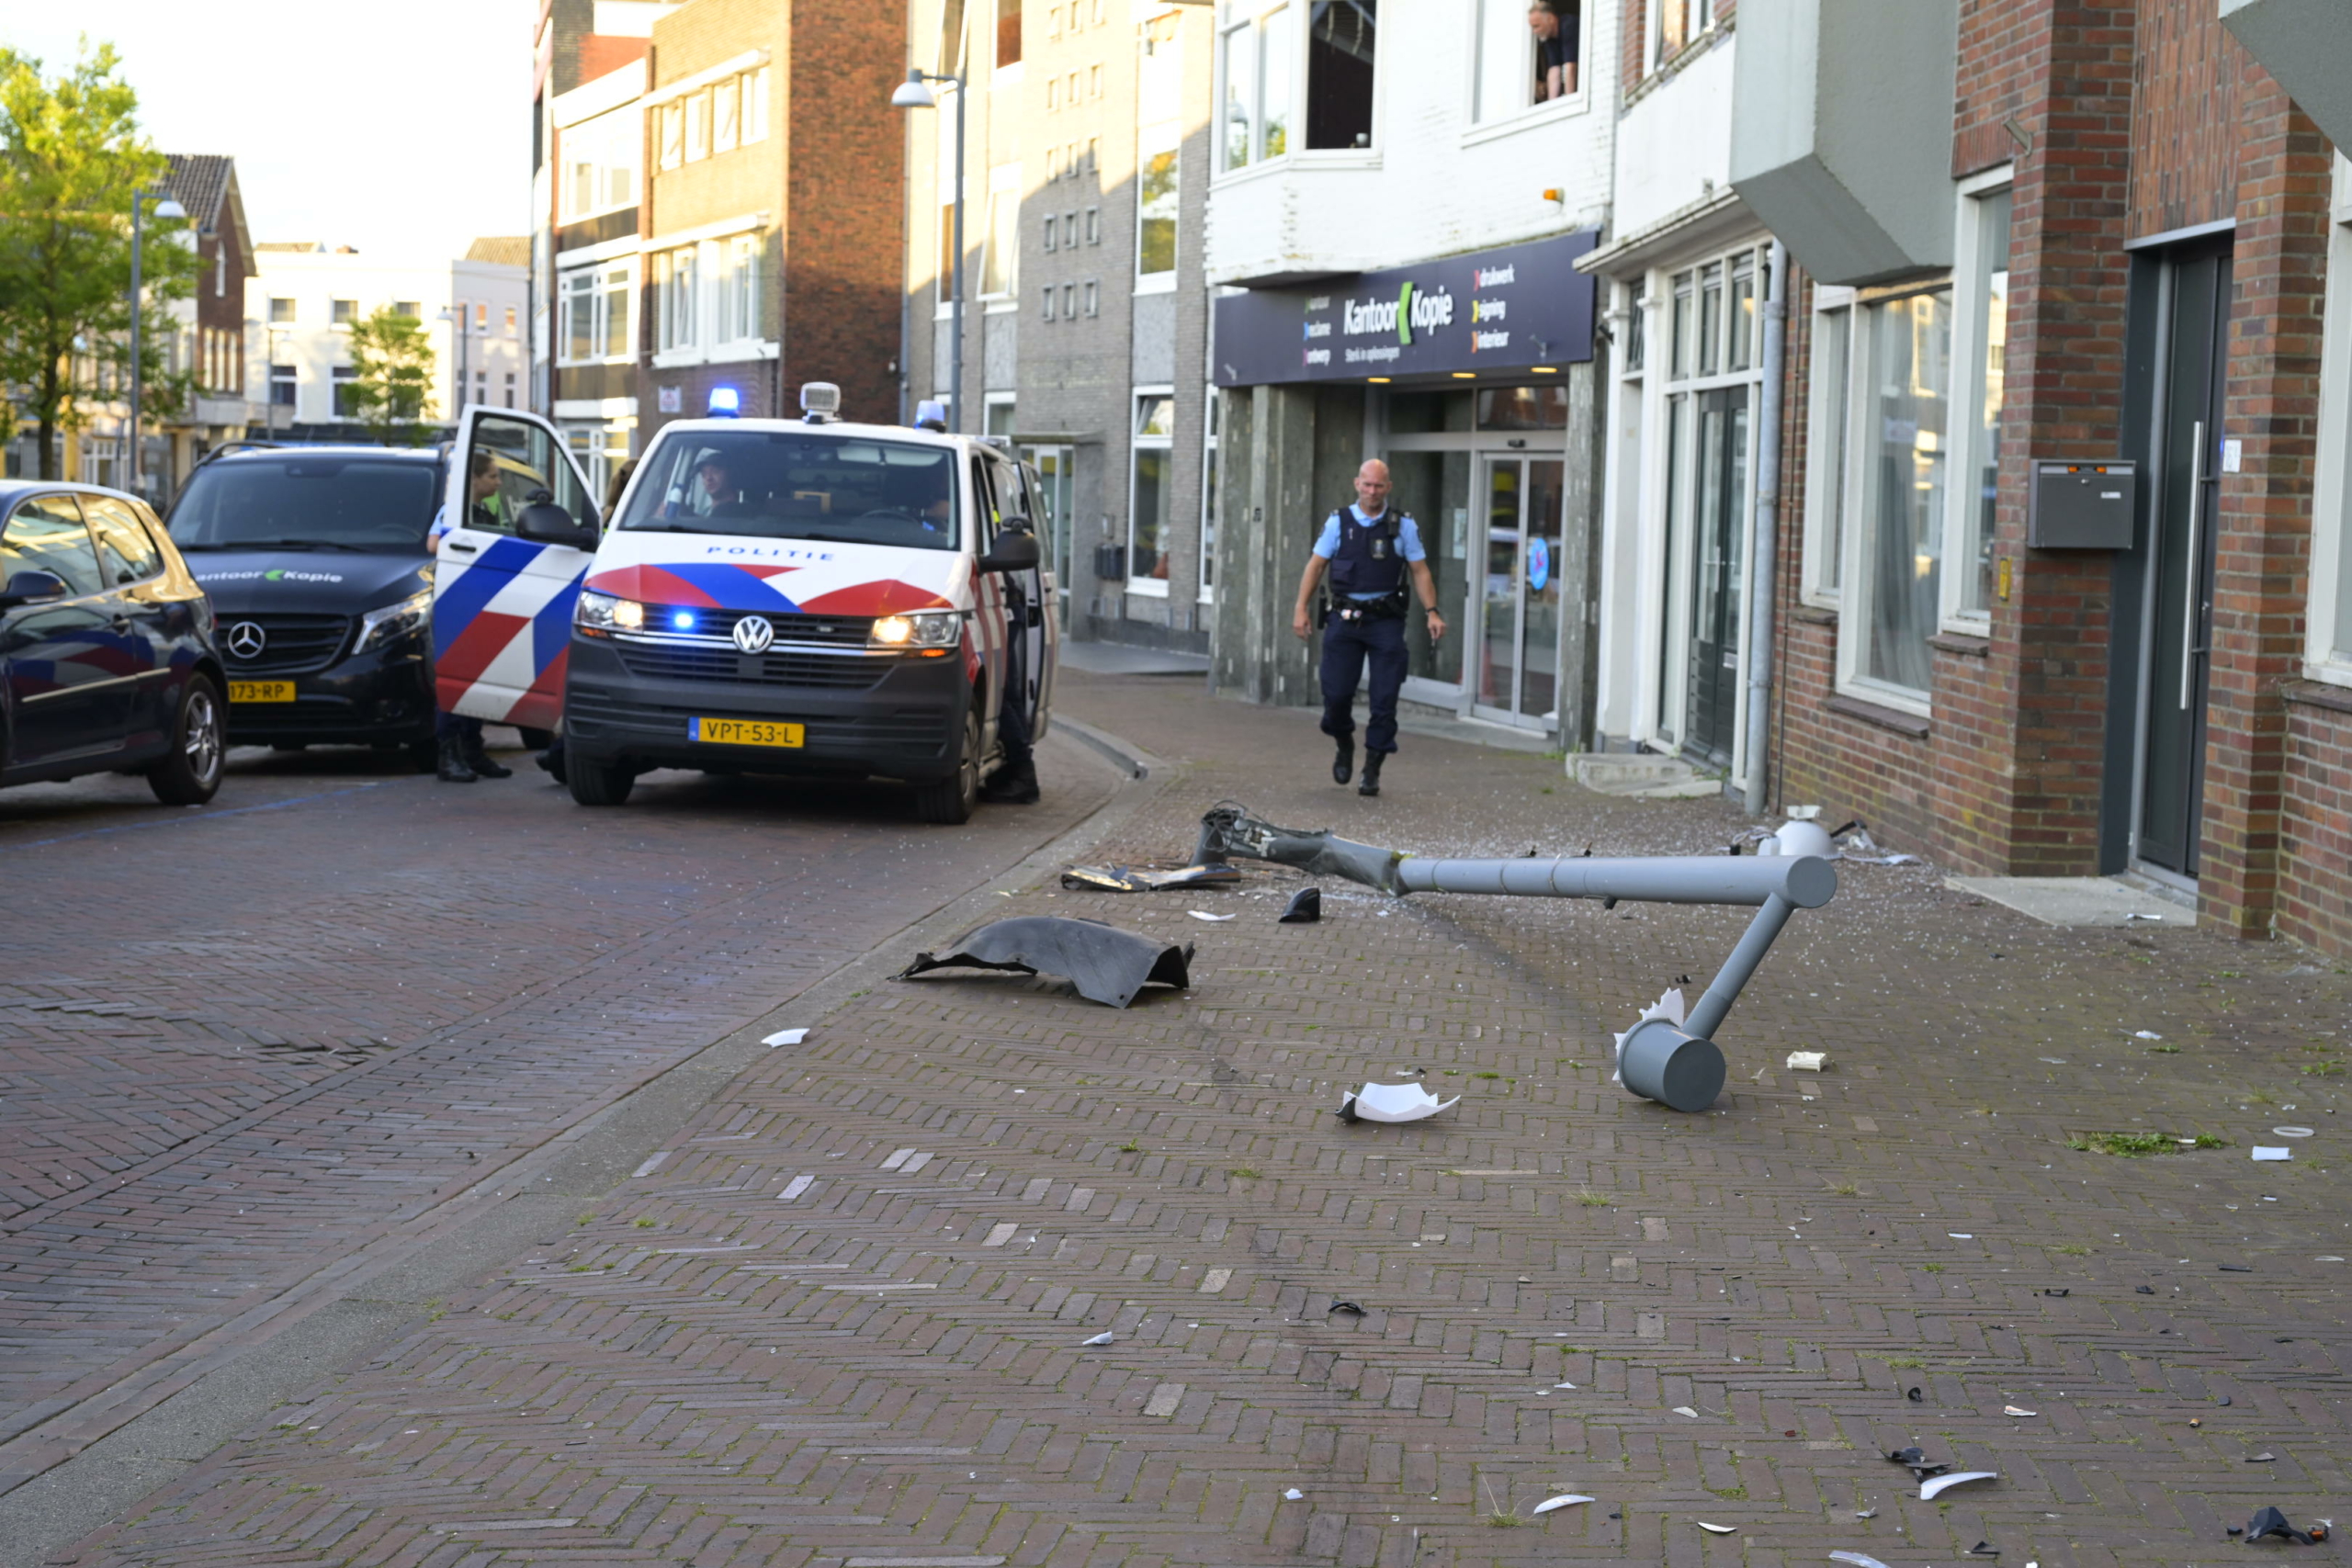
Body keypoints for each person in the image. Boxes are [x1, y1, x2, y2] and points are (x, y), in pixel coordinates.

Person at [1291, 459, 1446, 797]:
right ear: (1356, 483)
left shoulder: (1402, 525)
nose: (1372, 492)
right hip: (1344, 621)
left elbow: (1420, 571)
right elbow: (1316, 566)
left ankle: (1372, 766)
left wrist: (1432, 612)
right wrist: (1300, 608)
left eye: (1379, 486)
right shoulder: (1338, 522)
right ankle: (1343, 741)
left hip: (1385, 622)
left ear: (1388, 487)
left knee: (1384, 699)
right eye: (1367, 485)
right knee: (1335, 695)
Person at [424, 451, 514, 784]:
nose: (498, 481)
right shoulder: (453, 511)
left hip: (480, 605)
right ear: (474, 479)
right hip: (457, 606)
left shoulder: (483, 512)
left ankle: (473, 750)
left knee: (478, 679)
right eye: (492, 475)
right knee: (456, 679)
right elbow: (433, 543)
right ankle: (448, 756)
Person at [1529, 2, 1578, 100]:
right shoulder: (1549, 37)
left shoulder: (1568, 25)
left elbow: (1570, 67)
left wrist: (1569, 102)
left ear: (1550, 19)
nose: (1534, 31)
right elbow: (1554, 70)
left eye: (1537, 26)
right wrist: (1552, 103)